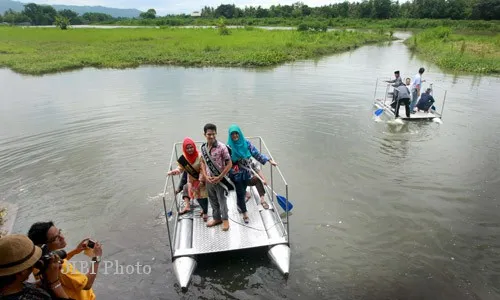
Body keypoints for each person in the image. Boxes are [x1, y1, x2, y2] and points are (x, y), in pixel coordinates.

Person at [28, 222, 102, 300]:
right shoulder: (62, 267)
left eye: (59, 232)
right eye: (56, 238)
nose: (62, 237)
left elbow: (61, 258)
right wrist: (96, 258)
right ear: (45, 246)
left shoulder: (38, 262)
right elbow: (87, 285)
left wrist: (76, 251)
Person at [227, 125, 277, 223]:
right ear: (230, 136)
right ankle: (245, 213)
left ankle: (258, 198)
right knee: (240, 193)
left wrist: (269, 160)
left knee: (252, 183)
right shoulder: (228, 147)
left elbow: (256, 154)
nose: (235, 136)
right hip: (236, 174)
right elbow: (225, 161)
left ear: (239, 133)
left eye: (236, 133)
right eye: (232, 134)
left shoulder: (246, 143)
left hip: (247, 173)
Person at [0, 234, 73, 300]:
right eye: (33, 261)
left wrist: (47, 278)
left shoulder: (13, 285)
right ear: (22, 271)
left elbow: (27, 286)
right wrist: (55, 283)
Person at [199, 123, 233, 231]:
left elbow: (229, 164)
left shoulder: (222, 147)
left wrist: (219, 176)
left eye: (213, 134)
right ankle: (216, 218)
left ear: (216, 133)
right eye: (209, 134)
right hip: (209, 179)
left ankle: (225, 220)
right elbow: (202, 163)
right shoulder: (203, 147)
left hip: (220, 179)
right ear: (204, 134)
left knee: (222, 200)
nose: (212, 136)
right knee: (212, 199)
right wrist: (205, 176)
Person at [167, 137, 209, 221]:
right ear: (185, 149)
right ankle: (203, 209)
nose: (190, 149)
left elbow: (202, 169)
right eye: (187, 148)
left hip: (202, 179)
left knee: (203, 197)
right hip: (192, 181)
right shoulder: (184, 158)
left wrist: (200, 181)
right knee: (197, 196)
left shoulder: (200, 156)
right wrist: (174, 171)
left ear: (194, 146)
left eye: (191, 147)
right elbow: (180, 168)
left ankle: (205, 212)